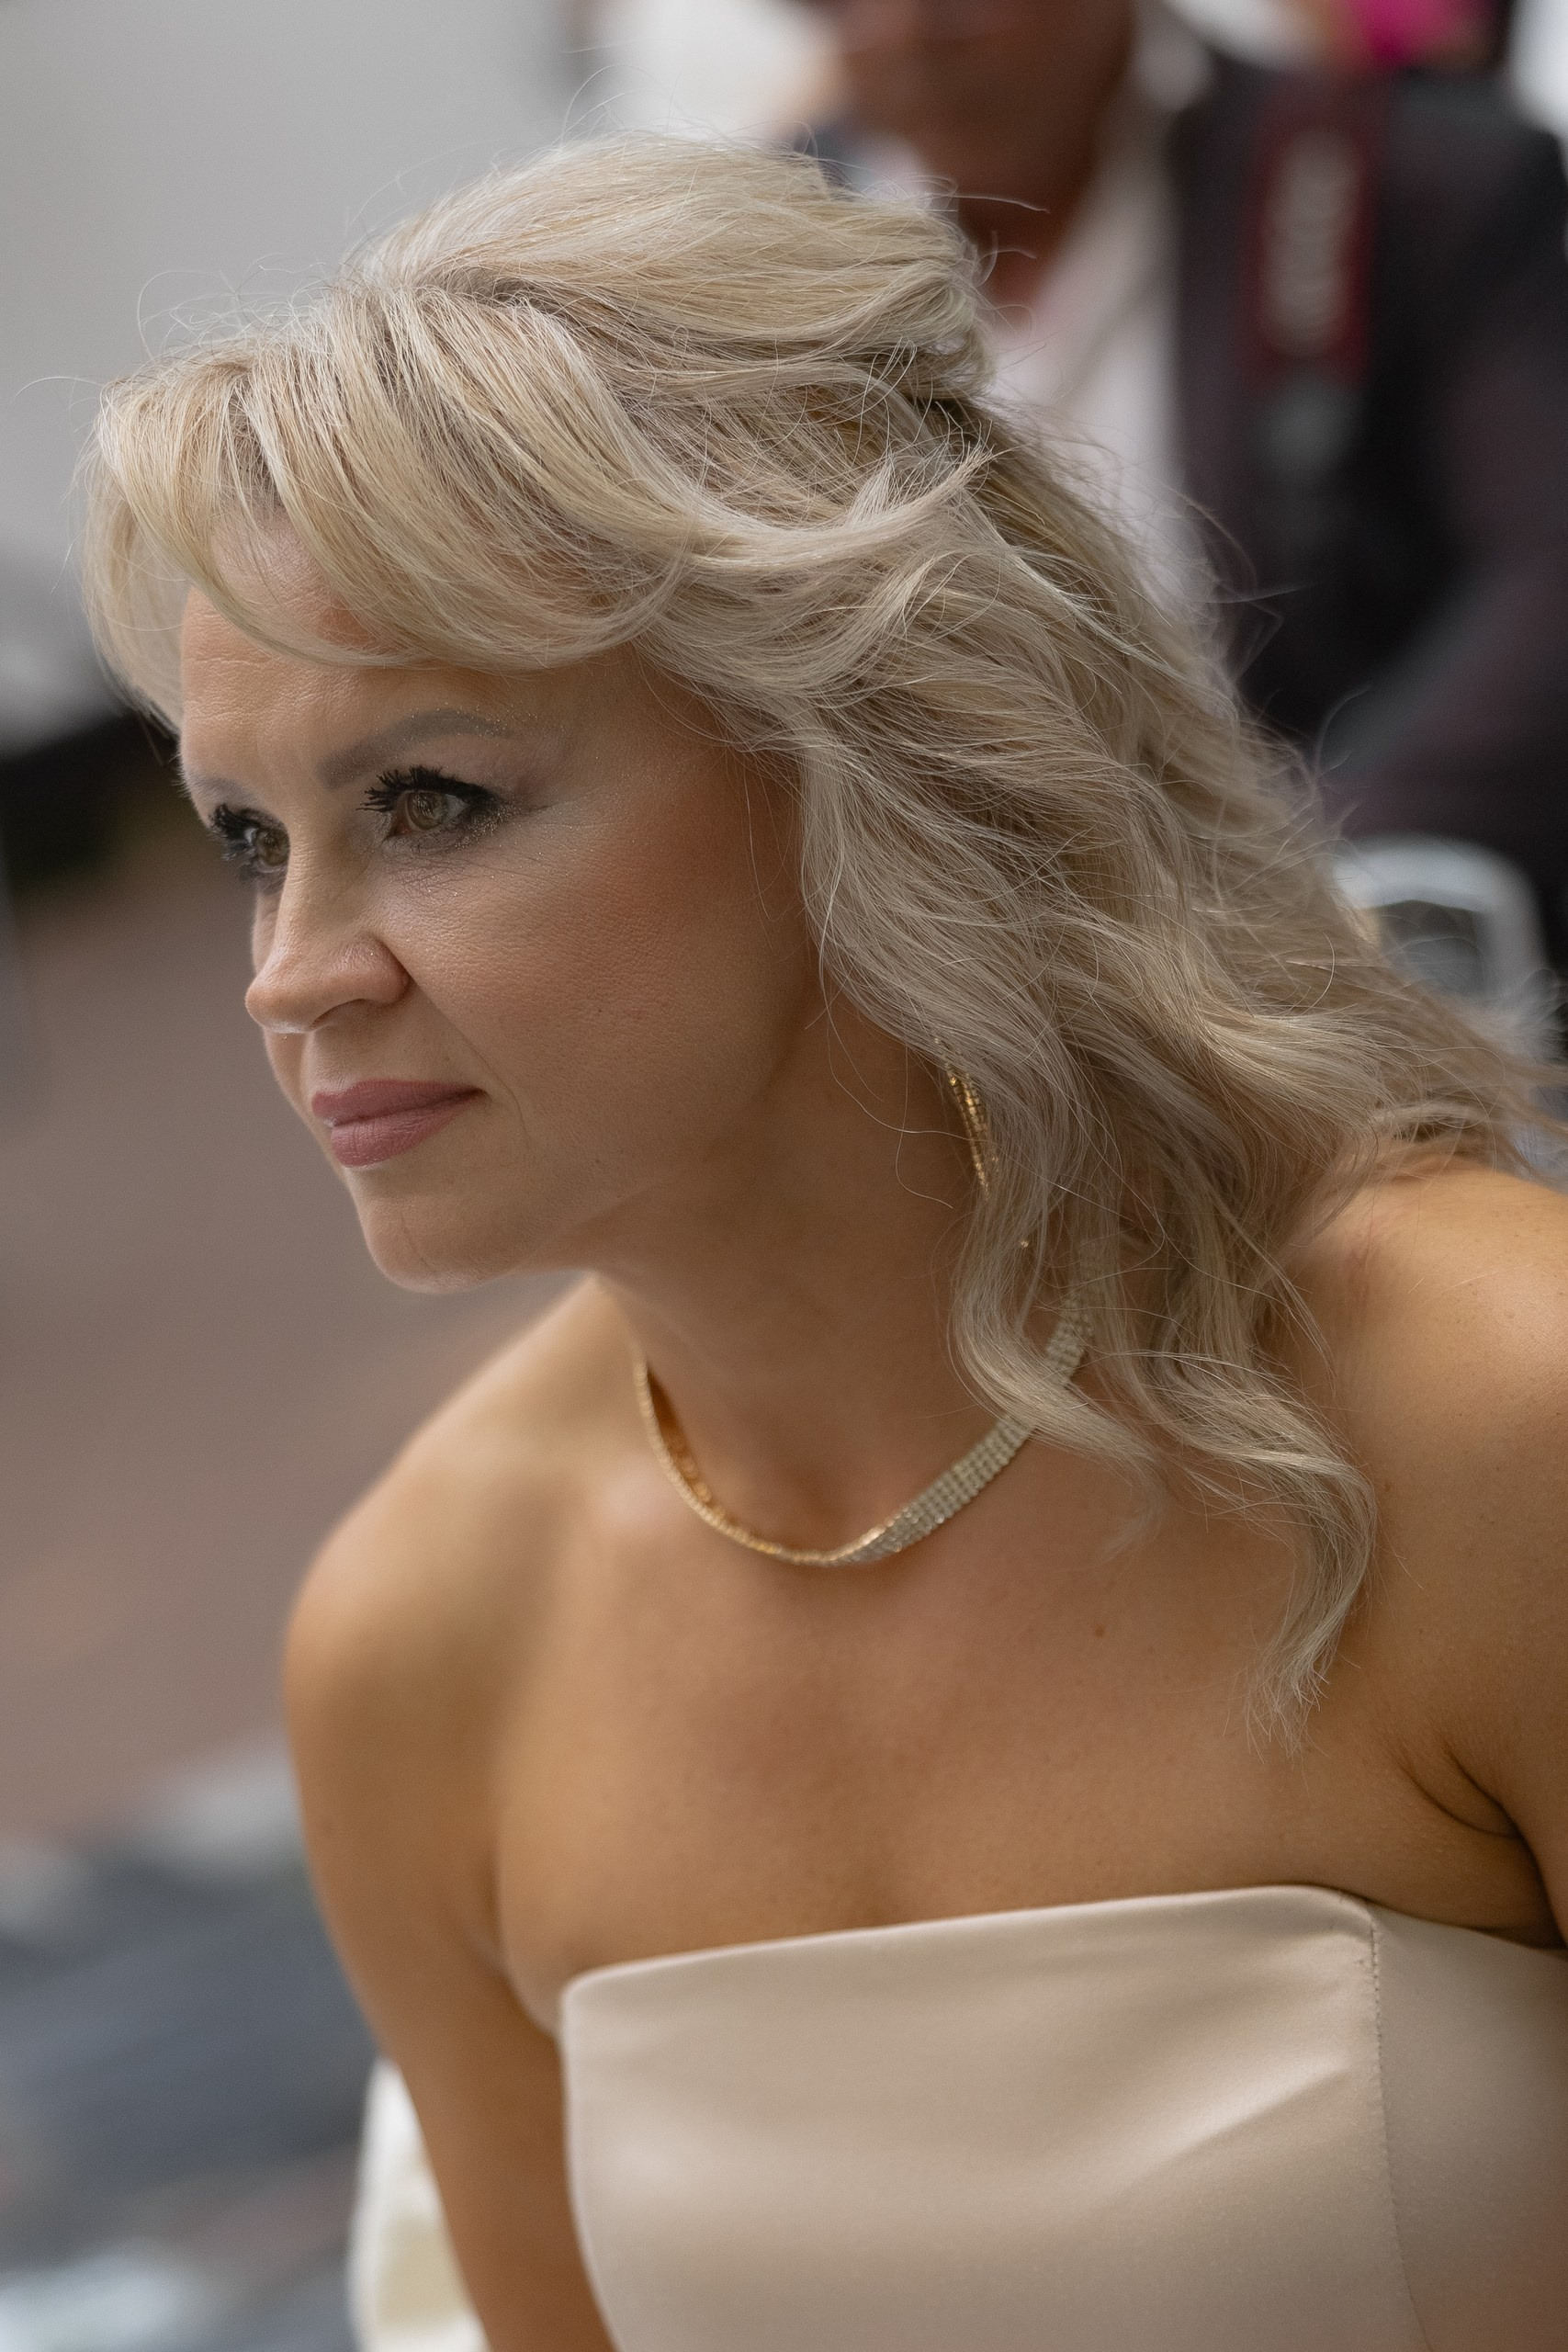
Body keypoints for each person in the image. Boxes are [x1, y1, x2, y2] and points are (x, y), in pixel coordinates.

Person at [85, 135, 1568, 2352]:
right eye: (245, 838)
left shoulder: (1493, 1418)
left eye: (430, 801)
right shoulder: (423, 1638)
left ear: (852, 759)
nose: (295, 972)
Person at [796, 0, 1568, 959]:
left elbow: (1545, 570)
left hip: (1312, 932)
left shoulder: (1386, 185)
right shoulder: (779, 237)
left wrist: (1285, 880)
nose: (899, 33)